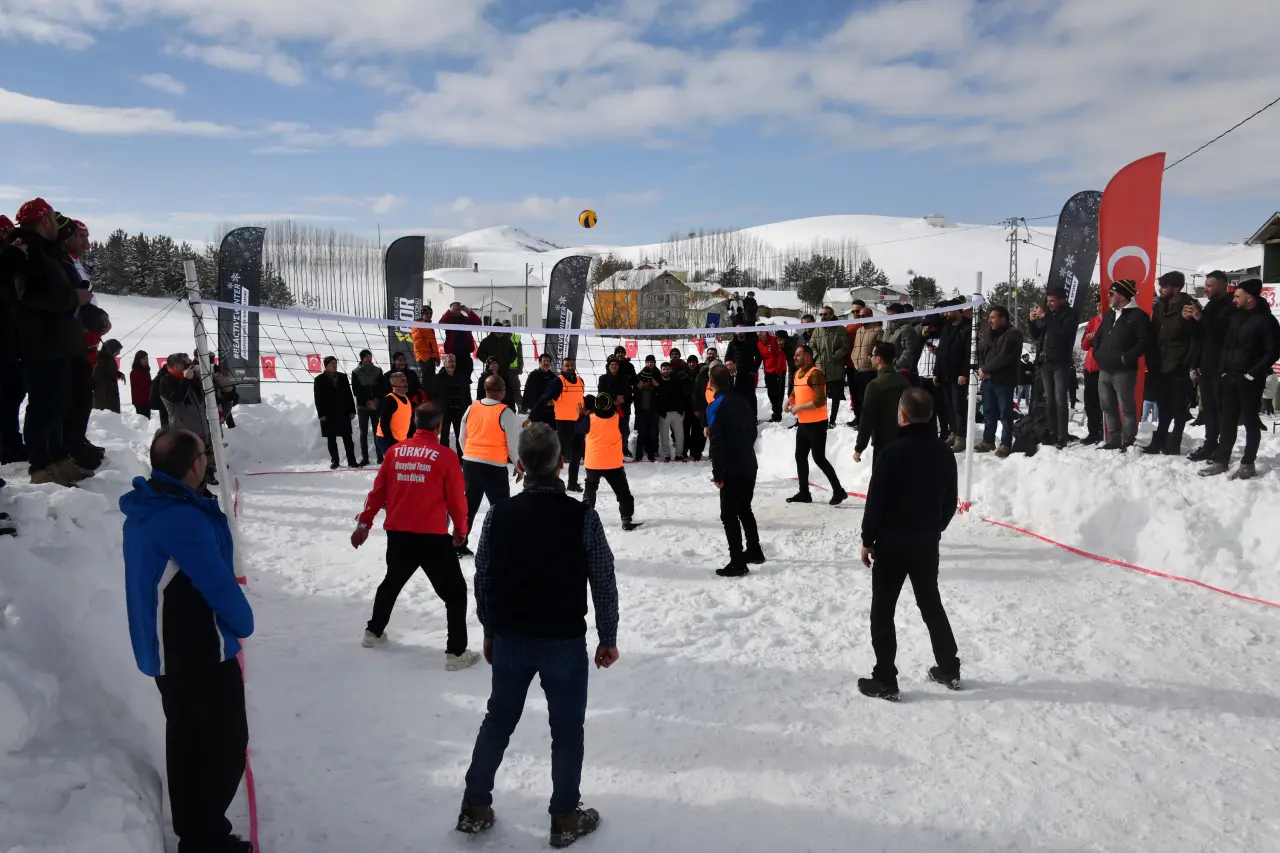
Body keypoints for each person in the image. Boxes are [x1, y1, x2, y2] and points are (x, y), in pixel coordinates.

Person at [456, 424, 618, 848]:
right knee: (567, 730)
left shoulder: (499, 514)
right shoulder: (582, 515)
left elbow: (484, 576)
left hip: (511, 636)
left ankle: (475, 806)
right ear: (561, 463)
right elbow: (603, 578)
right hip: (563, 640)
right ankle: (564, 817)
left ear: (520, 465)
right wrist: (607, 637)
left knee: (498, 720)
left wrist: (489, 628)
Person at [121, 429, 254, 853]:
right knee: (226, 747)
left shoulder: (154, 504)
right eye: (204, 453)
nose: (208, 460)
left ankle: (195, 831)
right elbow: (216, 582)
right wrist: (243, 623)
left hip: (168, 651)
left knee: (188, 742)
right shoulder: (181, 518)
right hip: (196, 652)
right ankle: (203, 838)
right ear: (194, 464)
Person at [351, 404, 482, 668]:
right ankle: (456, 653)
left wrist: (364, 524)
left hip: (399, 534)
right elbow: (457, 501)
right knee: (455, 593)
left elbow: (377, 492)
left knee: (391, 582)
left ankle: (373, 632)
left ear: (414, 422)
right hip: (432, 537)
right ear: (439, 426)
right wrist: (461, 530)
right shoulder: (446, 457)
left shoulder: (394, 452)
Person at [855, 389, 961, 702]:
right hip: (926, 542)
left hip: (892, 544)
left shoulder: (891, 452)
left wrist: (867, 538)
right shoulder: (944, 453)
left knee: (883, 610)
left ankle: (886, 678)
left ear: (901, 416)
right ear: (930, 415)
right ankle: (949, 667)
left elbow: (876, 501)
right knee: (930, 604)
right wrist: (934, 527)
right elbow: (949, 502)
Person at [8, 198, 92, 485]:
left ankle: (57, 458)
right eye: (55, 220)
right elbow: (31, 296)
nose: (59, 226)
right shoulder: (26, 252)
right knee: (43, 408)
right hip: (40, 345)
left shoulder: (45, 252)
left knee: (58, 405)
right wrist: (73, 298)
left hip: (56, 343)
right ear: (44, 221)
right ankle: (40, 466)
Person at [1200, 279, 1280, 480]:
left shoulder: (1267, 321)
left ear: (1250, 297)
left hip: (1250, 379)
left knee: (1251, 421)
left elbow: (1273, 351)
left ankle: (1247, 463)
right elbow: (1226, 346)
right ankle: (1221, 460)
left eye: (1237, 296)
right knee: (1227, 421)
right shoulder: (1235, 317)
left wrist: (1253, 373)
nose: (1234, 299)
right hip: (1229, 376)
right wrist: (1223, 370)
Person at [705, 363, 762, 576]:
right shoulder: (742, 400)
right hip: (749, 462)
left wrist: (718, 473)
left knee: (728, 515)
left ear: (711, 383)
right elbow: (752, 432)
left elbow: (716, 442)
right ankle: (754, 550)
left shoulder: (715, 405)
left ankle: (738, 561)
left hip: (732, 467)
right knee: (744, 508)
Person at [457, 375, 524, 556]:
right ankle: (503, 545)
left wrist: (469, 455)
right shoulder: (506, 412)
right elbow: (512, 445)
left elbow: (462, 438)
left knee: (469, 506)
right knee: (501, 507)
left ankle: (459, 544)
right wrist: (518, 467)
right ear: (502, 391)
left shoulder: (472, 407)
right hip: (494, 465)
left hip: (471, 463)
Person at [1142, 272, 1198, 455]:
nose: (1160, 289)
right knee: (1163, 405)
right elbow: (1153, 333)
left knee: (1179, 408)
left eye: (1164, 286)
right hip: (1159, 363)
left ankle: (1174, 442)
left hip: (1178, 364)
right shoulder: (1160, 307)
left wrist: (1186, 362)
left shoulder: (1189, 306)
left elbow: (1195, 338)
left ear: (1175, 287)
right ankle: (1158, 441)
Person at [1092, 280, 1150, 452]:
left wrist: (1128, 357)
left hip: (1124, 371)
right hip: (1104, 369)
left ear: (1121, 296)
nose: (1108, 296)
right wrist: (1097, 352)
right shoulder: (1109, 314)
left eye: (1111, 293)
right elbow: (1099, 334)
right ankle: (1114, 439)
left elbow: (1144, 341)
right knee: (1107, 406)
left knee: (1126, 407)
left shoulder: (1138, 316)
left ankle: (1129, 440)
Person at [785, 345, 846, 505]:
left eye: (798, 355)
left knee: (819, 458)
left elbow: (819, 401)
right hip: (804, 423)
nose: (795, 357)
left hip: (817, 424)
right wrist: (790, 401)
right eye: (795, 355)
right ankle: (804, 493)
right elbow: (796, 392)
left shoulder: (816, 374)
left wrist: (798, 407)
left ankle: (839, 491)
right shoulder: (798, 373)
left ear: (808, 357)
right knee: (800, 456)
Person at [1185, 270, 1234, 462]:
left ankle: (1223, 448)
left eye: (1210, 285)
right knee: (1209, 409)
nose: (1206, 289)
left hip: (1222, 366)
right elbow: (1202, 335)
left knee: (1222, 410)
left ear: (1222, 285)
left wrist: (1201, 318)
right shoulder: (1211, 305)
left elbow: (1219, 335)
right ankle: (1210, 444)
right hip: (1206, 364)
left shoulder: (1231, 306)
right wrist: (1190, 320)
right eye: (1205, 285)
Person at [582, 392, 641, 530]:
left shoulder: (589, 419)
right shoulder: (617, 418)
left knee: (590, 491)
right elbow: (623, 427)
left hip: (593, 463)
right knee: (623, 493)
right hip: (613, 463)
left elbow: (579, 429)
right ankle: (626, 520)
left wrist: (582, 415)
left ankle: (585, 520)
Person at [1028, 287, 1078, 447]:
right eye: (1048, 301)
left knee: (1060, 399)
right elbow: (1036, 335)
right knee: (1049, 399)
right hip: (1045, 362)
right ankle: (1052, 432)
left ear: (1062, 300)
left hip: (1060, 362)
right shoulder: (1050, 317)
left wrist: (1045, 316)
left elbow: (1062, 331)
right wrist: (1032, 321)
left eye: (1052, 301)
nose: (1049, 304)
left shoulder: (1069, 314)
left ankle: (1062, 434)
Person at [973, 305, 1023, 457]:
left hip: (1004, 381)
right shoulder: (988, 334)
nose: (990, 321)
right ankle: (988, 441)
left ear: (1003, 318)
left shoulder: (1013, 334)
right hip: (987, 380)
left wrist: (987, 369)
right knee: (988, 412)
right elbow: (981, 352)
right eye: (989, 318)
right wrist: (982, 369)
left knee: (1005, 413)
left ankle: (1006, 443)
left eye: (993, 317)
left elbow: (1004, 357)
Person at [159, 353, 216, 484]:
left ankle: (208, 473)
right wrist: (185, 380)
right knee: (188, 455)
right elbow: (177, 400)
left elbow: (200, 397)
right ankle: (188, 480)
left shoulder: (186, 378)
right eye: (183, 365)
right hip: (183, 425)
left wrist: (195, 380)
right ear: (175, 365)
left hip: (199, 420)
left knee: (205, 450)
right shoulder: (166, 381)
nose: (186, 367)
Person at [854, 341, 910, 464]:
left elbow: (867, 419)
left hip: (884, 443)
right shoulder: (904, 381)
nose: (870, 358)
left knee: (881, 480)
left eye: (872, 356)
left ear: (878, 359)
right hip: (904, 440)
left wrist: (859, 447)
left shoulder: (875, 385)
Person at [536, 356, 587, 492]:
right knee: (560, 456)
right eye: (567, 365)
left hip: (579, 423)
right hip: (564, 423)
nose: (570, 367)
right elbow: (548, 399)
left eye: (571, 365)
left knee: (576, 456)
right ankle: (552, 482)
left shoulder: (580, 381)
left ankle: (572, 483)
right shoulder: (558, 381)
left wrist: (584, 413)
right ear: (562, 368)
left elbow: (580, 399)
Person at [934, 304, 971, 452]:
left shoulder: (968, 328)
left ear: (958, 310)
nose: (947, 314)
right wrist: (936, 371)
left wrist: (964, 372)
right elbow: (941, 350)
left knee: (958, 406)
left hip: (958, 375)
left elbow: (969, 353)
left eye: (949, 311)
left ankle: (961, 437)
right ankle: (954, 432)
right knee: (949, 406)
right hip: (944, 374)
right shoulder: (946, 328)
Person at [809, 305, 851, 427]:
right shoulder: (817, 329)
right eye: (821, 314)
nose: (823, 317)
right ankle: (823, 419)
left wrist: (835, 356)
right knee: (821, 397)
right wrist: (817, 357)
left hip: (836, 369)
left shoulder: (840, 329)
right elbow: (812, 345)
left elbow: (846, 346)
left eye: (825, 314)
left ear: (832, 315)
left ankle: (832, 420)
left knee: (836, 397)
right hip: (821, 368)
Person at [314, 356, 359, 469]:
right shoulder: (319, 379)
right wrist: (321, 414)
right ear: (326, 365)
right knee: (331, 439)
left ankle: (352, 460)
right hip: (328, 414)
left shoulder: (343, 377)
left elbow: (349, 395)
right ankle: (335, 461)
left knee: (348, 438)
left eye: (335, 363)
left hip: (343, 412)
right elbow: (318, 398)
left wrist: (352, 410)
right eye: (332, 363)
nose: (334, 365)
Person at [434, 352, 473, 453]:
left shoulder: (461, 376)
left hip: (459, 410)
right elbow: (434, 395)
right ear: (444, 363)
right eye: (449, 361)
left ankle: (461, 458)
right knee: (444, 436)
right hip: (444, 411)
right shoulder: (438, 378)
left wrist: (468, 408)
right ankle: (443, 456)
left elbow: (467, 394)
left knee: (460, 436)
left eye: (453, 361)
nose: (452, 363)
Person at [351, 349, 385, 466]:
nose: (369, 359)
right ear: (362, 358)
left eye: (370, 356)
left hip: (376, 406)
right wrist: (367, 402)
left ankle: (380, 456)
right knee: (363, 432)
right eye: (366, 357)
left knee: (378, 431)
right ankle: (365, 458)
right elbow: (356, 390)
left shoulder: (378, 371)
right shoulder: (356, 372)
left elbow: (382, 388)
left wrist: (375, 401)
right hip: (362, 407)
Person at [851, 306, 883, 427]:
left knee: (868, 399)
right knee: (857, 397)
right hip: (857, 367)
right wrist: (853, 357)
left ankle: (869, 423)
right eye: (859, 316)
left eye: (863, 316)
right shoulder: (859, 330)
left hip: (869, 370)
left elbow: (880, 349)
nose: (861, 318)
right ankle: (859, 419)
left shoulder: (877, 330)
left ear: (870, 316)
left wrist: (872, 358)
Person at [597, 356, 633, 453]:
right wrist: (614, 398)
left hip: (623, 408)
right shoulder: (603, 378)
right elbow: (601, 392)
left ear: (618, 366)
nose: (614, 366)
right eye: (612, 365)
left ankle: (623, 449)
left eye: (616, 365)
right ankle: (609, 450)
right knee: (609, 431)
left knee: (624, 431)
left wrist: (622, 399)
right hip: (608, 409)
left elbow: (629, 391)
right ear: (608, 366)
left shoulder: (624, 378)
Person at [376, 372, 415, 458]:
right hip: (386, 439)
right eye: (402, 381)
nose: (405, 383)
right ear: (394, 384)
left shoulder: (407, 399)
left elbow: (408, 421)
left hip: (401, 440)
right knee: (395, 464)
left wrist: (410, 438)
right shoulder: (389, 400)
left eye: (406, 381)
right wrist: (392, 443)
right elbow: (384, 424)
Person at [1079, 312, 1104, 444]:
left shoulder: (1112, 319)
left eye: (1101, 304)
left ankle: (1103, 431)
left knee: (1103, 403)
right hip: (1090, 368)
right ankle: (1092, 432)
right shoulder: (1092, 321)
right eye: (1097, 305)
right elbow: (1083, 346)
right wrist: (1089, 338)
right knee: (1090, 403)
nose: (1099, 307)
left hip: (1103, 368)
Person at [440, 302, 482, 381]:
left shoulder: (465, 320)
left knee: (465, 378)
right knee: (453, 378)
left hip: (465, 354)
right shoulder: (448, 320)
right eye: (454, 308)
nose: (456, 310)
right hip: (452, 355)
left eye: (458, 308)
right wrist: (449, 312)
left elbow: (478, 322)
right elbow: (441, 323)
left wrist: (467, 310)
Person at [655, 361, 686, 461]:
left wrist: (682, 411)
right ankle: (666, 455)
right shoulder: (657, 381)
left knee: (679, 435)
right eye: (664, 369)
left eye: (667, 369)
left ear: (671, 370)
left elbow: (681, 395)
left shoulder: (676, 380)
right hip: (664, 413)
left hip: (677, 412)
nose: (666, 371)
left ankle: (679, 454)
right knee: (664, 435)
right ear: (661, 370)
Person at [632, 356, 661, 461]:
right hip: (641, 412)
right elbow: (634, 394)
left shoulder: (657, 379)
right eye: (647, 362)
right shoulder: (639, 384)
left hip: (653, 412)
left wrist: (654, 384)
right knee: (641, 435)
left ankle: (652, 455)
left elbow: (661, 391)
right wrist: (640, 384)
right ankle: (638, 456)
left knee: (653, 435)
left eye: (651, 362)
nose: (647, 381)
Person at [883, 304, 923, 378]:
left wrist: (897, 365)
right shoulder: (888, 329)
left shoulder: (906, 329)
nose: (889, 316)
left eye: (891, 314)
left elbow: (908, 351)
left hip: (900, 370)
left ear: (899, 314)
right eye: (888, 314)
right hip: (887, 368)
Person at [757, 328, 787, 422]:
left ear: (766, 331)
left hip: (777, 371)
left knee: (778, 393)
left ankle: (777, 415)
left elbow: (781, 355)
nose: (760, 334)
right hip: (767, 371)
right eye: (758, 332)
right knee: (771, 393)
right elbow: (762, 358)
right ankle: (776, 411)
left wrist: (778, 371)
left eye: (761, 331)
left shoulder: (774, 340)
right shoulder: (759, 344)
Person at [522, 353, 559, 425]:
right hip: (536, 410)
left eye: (548, 361)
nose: (546, 363)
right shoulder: (533, 375)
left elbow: (557, 393)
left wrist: (553, 401)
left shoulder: (553, 376)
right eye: (544, 361)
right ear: (539, 363)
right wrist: (525, 407)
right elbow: (527, 391)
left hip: (549, 411)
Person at [92, 338, 125, 413]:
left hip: (111, 394)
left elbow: (110, 371)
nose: (119, 353)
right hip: (104, 396)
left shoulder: (109, 359)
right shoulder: (101, 361)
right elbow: (99, 378)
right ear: (110, 350)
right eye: (117, 351)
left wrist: (118, 374)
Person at [412, 305, 441, 383]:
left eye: (430, 313)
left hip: (431, 358)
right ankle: (425, 395)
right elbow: (418, 344)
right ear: (422, 314)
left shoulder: (429, 326)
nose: (429, 315)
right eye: (426, 313)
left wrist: (436, 357)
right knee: (427, 382)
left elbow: (433, 343)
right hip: (424, 358)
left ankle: (430, 395)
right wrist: (427, 357)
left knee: (431, 381)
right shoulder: (418, 325)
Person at [130, 351, 153, 420]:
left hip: (147, 400)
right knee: (143, 421)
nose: (146, 361)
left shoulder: (145, 370)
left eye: (147, 359)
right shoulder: (135, 372)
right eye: (144, 359)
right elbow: (141, 387)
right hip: (140, 401)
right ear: (138, 360)